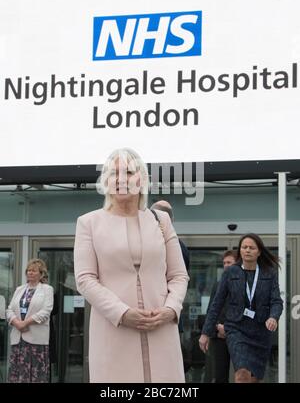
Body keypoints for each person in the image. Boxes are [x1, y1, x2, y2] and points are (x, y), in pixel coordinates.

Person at [74, 148, 189, 383]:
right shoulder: (88, 223)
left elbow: (179, 275)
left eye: (128, 171)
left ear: (142, 179)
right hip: (114, 329)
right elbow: (85, 279)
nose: (121, 179)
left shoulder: (161, 220)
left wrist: (170, 309)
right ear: (105, 181)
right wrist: (122, 313)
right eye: (114, 173)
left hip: (161, 328)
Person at [199, 233, 283, 383]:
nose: (247, 250)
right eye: (244, 247)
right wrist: (206, 333)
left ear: (259, 252)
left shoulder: (269, 273)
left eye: (251, 247)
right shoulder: (231, 273)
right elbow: (216, 304)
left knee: (254, 379)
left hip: (260, 331)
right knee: (242, 374)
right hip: (237, 329)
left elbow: (277, 301)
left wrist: (273, 317)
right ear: (240, 251)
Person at [150, 200, 191, 372]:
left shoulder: (174, 247)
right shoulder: (177, 246)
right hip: (161, 314)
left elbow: (177, 279)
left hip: (162, 314)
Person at [6, 258, 54, 383]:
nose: (30, 273)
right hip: (18, 339)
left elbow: (46, 311)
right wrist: (16, 323)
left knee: (36, 376)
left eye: (33, 270)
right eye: (28, 270)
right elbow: (9, 310)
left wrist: (25, 323)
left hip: (36, 340)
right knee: (17, 375)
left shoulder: (47, 289)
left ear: (41, 273)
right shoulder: (19, 289)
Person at [204, 250, 237, 383]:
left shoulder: (246, 284)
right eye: (224, 263)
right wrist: (217, 327)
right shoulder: (218, 285)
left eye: (229, 262)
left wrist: (228, 328)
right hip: (220, 337)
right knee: (220, 377)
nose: (226, 265)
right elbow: (211, 311)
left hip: (239, 337)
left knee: (243, 375)